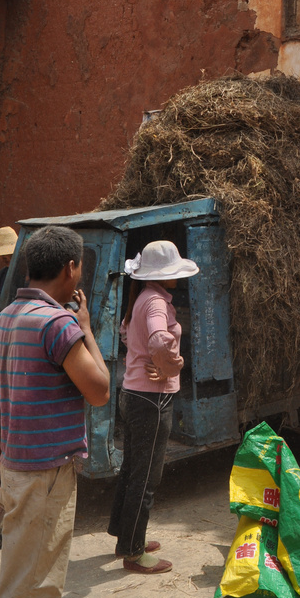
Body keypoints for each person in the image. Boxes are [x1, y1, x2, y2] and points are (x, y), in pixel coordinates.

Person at [0, 225, 110, 598]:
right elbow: (99, 390)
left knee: (41, 576)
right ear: (70, 270)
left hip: (17, 464)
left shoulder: (8, 316)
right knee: (27, 579)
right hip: (45, 471)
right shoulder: (58, 325)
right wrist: (87, 327)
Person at [108, 240, 199, 574]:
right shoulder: (158, 302)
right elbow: (160, 340)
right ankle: (133, 551)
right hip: (152, 398)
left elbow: (130, 337)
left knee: (133, 468)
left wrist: (155, 361)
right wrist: (173, 366)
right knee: (146, 476)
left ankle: (125, 534)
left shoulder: (142, 298)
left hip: (133, 393)